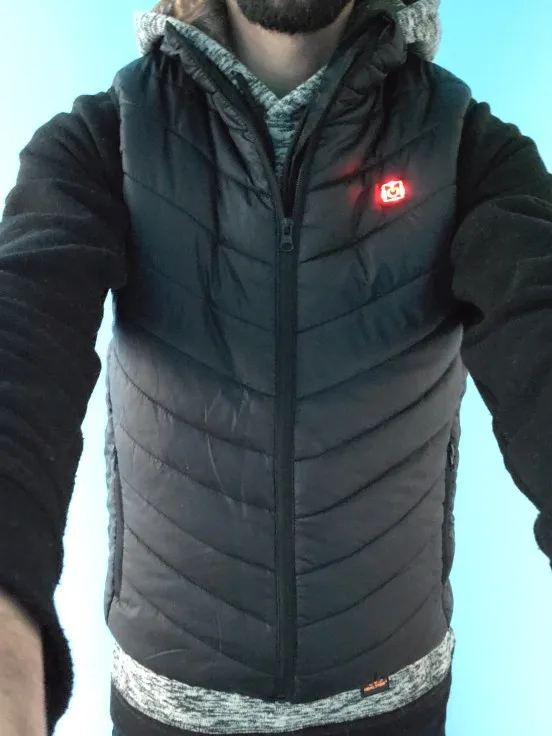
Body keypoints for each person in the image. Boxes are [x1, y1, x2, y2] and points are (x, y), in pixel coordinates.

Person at [0, 0, 551, 734]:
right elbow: (21, 344)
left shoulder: (467, 148)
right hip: (167, 709)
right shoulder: (106, 139)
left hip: (394, 702)